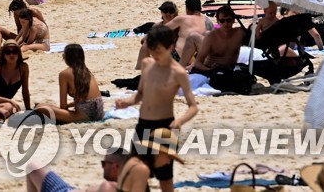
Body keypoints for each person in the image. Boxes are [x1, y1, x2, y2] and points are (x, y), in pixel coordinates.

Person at [116, 26, 198, 192]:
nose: (154, 55)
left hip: (165, 127)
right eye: (152, 51)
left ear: (170, 47)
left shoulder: (178, 73)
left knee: (165, 179)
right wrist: (127, 102)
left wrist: (180, 120)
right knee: (137, 172)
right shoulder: (147, 64)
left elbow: (193, 107)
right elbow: (139, 94)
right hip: (143, 124)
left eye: (158, 51)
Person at [35, 44, 104, 123]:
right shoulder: (87, 72)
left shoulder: (64, 74)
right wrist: (69, 106)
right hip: (99, 114)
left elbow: (63, 106)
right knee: (46, 106)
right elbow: (87, 100)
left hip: (85, 116)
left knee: (40, 107)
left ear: (67, 57)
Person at [25, 149, 147, 192]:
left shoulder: (109, 187)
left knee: (32, 166)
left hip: (61, 190)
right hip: (67, 188)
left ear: (115, 167)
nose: (102, 167)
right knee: (32, 166)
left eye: (104, 164)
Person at [0, 40, 31, 109]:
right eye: (8, 52)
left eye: (14, 51)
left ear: (18, 53)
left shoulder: (23, 68)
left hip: (5, 105)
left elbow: (25, 90)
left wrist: (28, 108)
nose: (11, 55)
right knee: (9, 107)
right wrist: (8, 101)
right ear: (3, 55)